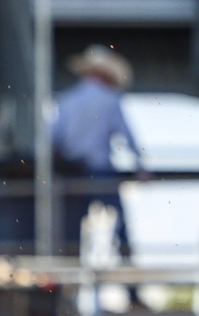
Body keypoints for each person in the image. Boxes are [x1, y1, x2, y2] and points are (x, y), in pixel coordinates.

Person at [50, 46, 141, 258]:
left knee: (71, 235)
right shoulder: (110, 100)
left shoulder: (66, 100)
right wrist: (141, 166)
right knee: (120, 228)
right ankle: (130, 283)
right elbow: (128, 136)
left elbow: (52, 139)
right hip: (100, 172)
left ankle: (66, 284)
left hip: (72, 172)